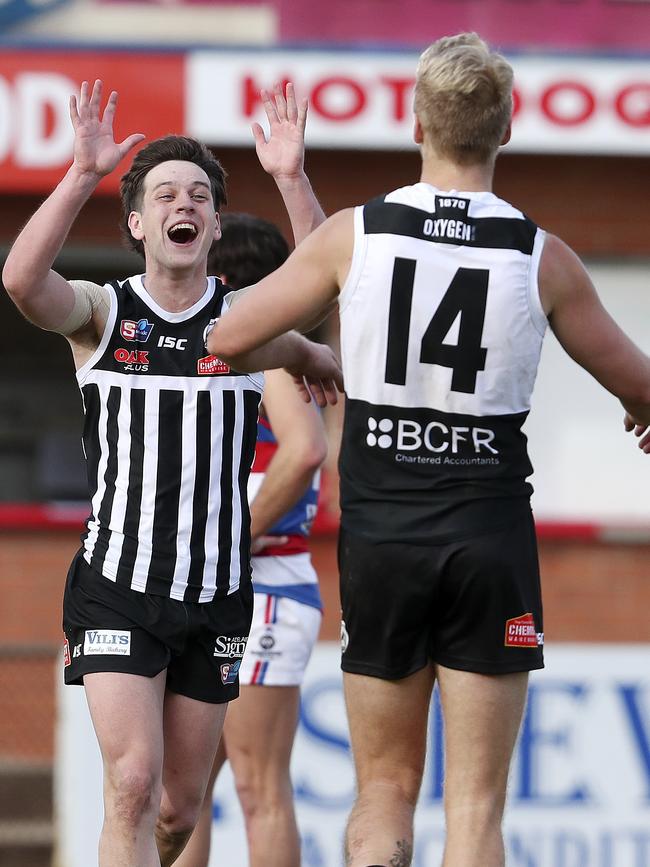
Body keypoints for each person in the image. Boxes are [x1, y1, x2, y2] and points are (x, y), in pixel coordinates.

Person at [205, 32, 650, 867]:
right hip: (489, 540)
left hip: (383, 539)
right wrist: (638, 409)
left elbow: (228, 336)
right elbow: (638, 377)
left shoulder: (355, 236)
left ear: (416, 125)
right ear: (506, 133)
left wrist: (304, 352)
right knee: (477, 808)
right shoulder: (540, 255)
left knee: (383, 789)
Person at [1, 80, 340, 867]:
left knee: (179, 810)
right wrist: (81, 174)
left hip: (220, 594)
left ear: (214, 224)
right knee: (132, 781)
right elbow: (21, 282)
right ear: (137, 223)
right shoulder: (103, 314)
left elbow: (326, 285)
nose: (181, 203)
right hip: (117, 582)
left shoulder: (246, 322)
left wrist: (291, 178)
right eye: (163, 194)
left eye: (197, 194)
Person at [176, 213, 327, 867]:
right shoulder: (234, 352)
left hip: (264, 587)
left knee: (256, 784)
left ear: (228, 279)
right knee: (180, 793)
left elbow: (303, 451)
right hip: (213, 587)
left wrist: (230, 540)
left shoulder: (264, 347)